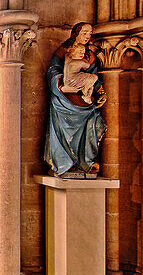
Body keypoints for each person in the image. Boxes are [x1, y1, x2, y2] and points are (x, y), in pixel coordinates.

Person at [44, 22, 106, 177]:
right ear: (76, 33)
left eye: (90, 34)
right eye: (84, 33)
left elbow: (93, 75)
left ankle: (86, 162)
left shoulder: (89, 55)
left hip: (83, 100)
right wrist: (58, 83)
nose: (87, 37)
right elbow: (53, 70)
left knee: (94, 124)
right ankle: (64, 163)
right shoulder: (64, 51)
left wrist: (100, 91)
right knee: (62, 131)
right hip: (64, 100)